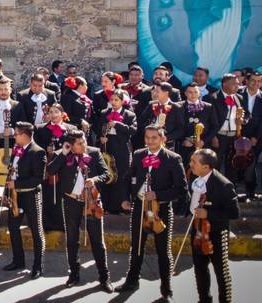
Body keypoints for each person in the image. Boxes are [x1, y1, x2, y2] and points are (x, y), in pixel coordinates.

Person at [115, 126, 188, 302]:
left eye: (154, 138)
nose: (150, 141)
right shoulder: (139, 154)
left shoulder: (173, 158)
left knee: (163, 250)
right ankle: (132, 281)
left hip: (160, 210)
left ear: (162, 138)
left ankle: (166, 288)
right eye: (147, 137)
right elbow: (128, 178)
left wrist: (158, 195)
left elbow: (182, 189)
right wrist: (126, 198)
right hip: (139, 207)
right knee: (136, 246)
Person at [46, 130, 112, 292]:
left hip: (92, 201)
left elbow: (106, 174)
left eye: (84, 141)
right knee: (72, 239)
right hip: (71, 201)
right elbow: (51, 171)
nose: (84, 145)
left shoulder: (95, 153)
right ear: (71, 145)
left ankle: (104, 278)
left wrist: (94, 180)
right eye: (80, 143)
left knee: (97, 240)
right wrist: (63, 153)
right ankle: (74, 274)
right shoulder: (61, 155)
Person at [187, 149, 240, 303]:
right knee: (200, 267)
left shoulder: (224, 185)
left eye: (194, 162)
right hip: (197, 230)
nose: (191, 164)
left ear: (207, 167)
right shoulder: (195, 178)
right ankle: (204, 299)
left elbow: (234, 213)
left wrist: (208, 214)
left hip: (216, 233)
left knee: (221, 270)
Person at [3, 122, 47, 279]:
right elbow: (12, 172)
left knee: (36, 230)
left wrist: (17, 184)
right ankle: (18, 260)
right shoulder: (17, 150)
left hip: (31, 196)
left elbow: (38, 179)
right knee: (13, 226)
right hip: (16, 195)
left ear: (25, 135)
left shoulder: (38, 152)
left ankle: (38, 266)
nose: (14, 136)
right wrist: (8, 191)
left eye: (16, 134)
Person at [93, 89, 138, 214]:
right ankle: (106, 205)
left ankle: (121, 206)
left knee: (121, 176)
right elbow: (98, 128)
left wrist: (117, 124)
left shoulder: (129, 114)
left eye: (116, 100)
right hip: (108, 147)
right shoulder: (104, 112)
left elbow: (133, 130)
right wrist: (101, 137)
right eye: (111, 100)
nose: (113, 102)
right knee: (107, 175)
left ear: (122, 101)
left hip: (122, 149)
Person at [34, 103, 77, 231]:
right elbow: (35, 146)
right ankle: (46, 224)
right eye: (51, 112)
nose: (53, 115)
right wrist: (45, 149)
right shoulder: (40, 128)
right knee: (47, 195)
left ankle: (63, 223)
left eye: (56, 112)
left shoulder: (71, 128)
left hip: (65, 167)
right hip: (47, 167)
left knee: (63, 195)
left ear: (62, 114)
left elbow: (74, 146)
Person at [179, 83, 219, 175]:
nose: (192, 94)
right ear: (185, 93)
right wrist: (183, 140)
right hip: (185, 146)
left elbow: (215, 126)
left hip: (202, 146)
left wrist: (203, 141)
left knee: (201, 170)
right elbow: (176, 126)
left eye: (195, 92)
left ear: (199, 93)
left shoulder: (208, 107)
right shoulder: (179, 106)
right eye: (190, 92)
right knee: (184, 170)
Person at [138, 82, 185, 150]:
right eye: (154, 91)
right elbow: (141, 121)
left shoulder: (177, 108)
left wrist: (167, 137)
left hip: (168, 144)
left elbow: (181, 129)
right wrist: (147, 133)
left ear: (166, 93)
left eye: (157, 91)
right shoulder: (152, 105)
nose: (154, 93)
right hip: (150, 142)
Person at [240, 71, 262, 200]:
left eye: (259, 81)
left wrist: (256, 138)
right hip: (238, 136)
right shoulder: (238, 95)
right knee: (235, 162)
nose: (256, 83)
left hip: (256, 139)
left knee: (251, 164)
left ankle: (250, 191)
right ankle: (234, 190)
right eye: (253, 80)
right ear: (247, 81)